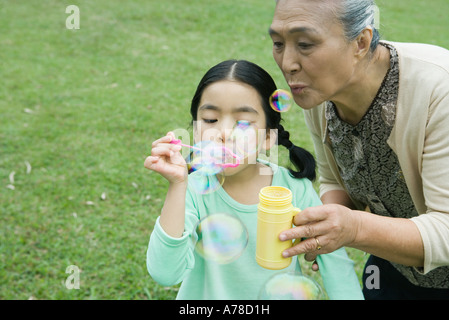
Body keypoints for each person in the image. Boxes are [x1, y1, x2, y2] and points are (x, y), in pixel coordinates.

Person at [269, 0, 449, 299]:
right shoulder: (321, 91)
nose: (288, 63)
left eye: (305, 44)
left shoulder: (438, 90)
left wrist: (353, 228)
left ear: (361, 42)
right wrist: (328, 222)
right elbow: (332, 179)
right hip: (391, 262)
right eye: (278, 43)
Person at [144, 59, 363, 299]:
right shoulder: (191, 191)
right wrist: (177, 185)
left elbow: (336, 265)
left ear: (269, 137)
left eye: (244, 123)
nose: (224, 133)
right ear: (195, 130)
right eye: (210, 120)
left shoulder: (294, 189)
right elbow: (165, 274)